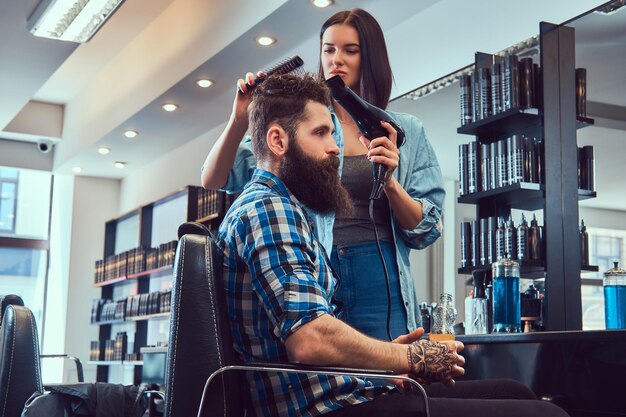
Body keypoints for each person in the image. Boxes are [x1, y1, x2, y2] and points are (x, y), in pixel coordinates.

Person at [214, 72, 570, 417]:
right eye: (321, 133)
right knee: (544, 413)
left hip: (344, 392)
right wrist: (413, 358)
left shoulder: (285, 208)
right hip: (322, 408)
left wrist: (387, 361)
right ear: (278, 141)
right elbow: (310, 340)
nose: (335, 147)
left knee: (516, 392)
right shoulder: (268, 209)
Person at [202, 8, 444, 340]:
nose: (336, 60)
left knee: (393, 380)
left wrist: (390, 183)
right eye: (328, 49)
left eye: (350, 50)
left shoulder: (406, 131)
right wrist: (238, 119)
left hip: (381, 279)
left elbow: (426, 230)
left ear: (370, 58)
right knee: (331, 369)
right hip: (317, 274)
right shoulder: (305, 126)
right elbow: (214, 179)